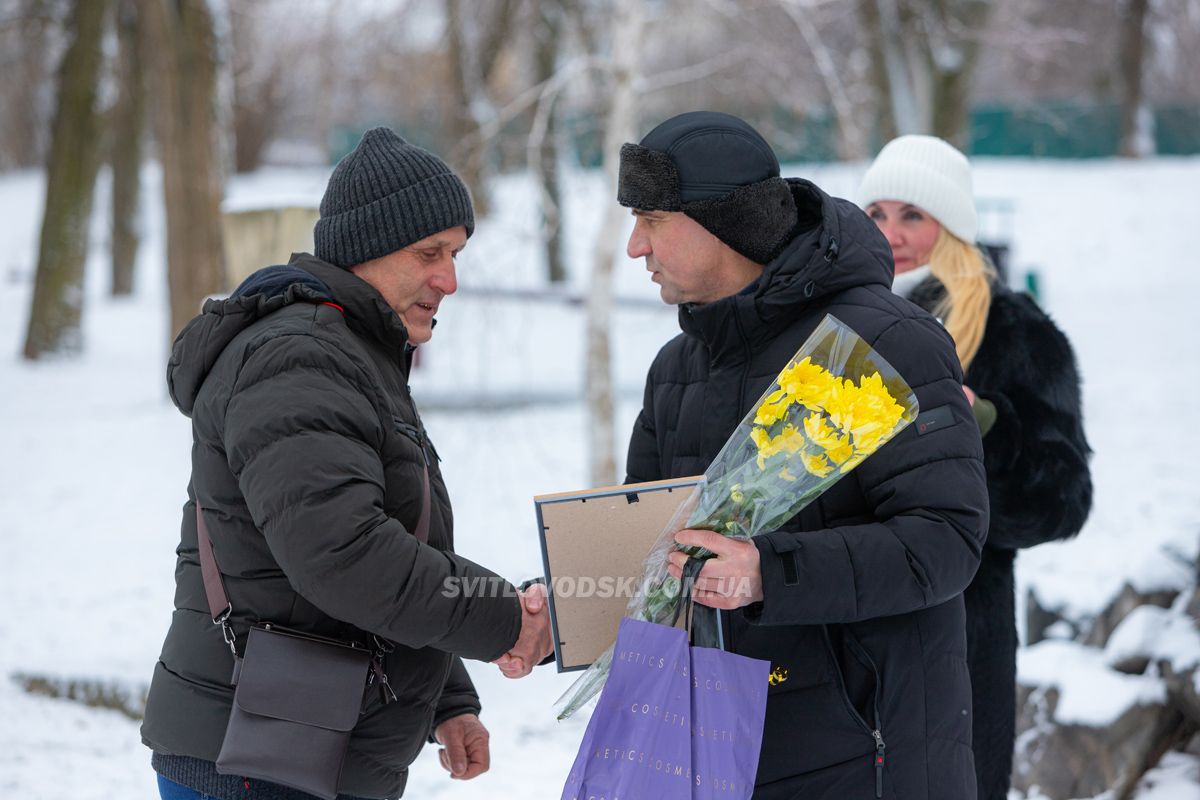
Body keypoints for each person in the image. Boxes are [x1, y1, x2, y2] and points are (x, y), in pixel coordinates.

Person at [141, 127, 553, 800]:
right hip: (255, 763)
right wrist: (507, 617)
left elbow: (386, 542)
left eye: (455, 254)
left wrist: (446, 699)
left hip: (295, 748)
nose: (449, 279)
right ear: (367, 248)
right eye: (429, 253)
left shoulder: (350, 355)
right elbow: (347, 559)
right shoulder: (297, 357)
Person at [620, 110, 990, 800]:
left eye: (650, 219)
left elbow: (945, 541)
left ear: (719, 220)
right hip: (711, 753)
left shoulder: (888, 342)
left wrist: (769, 571)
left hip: (868, 756)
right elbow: (651, 545)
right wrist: (565, 607)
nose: (635, 246)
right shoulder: (676, 367)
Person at [858, 134, 1092, 800]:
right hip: (849, 623)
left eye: (913, 215)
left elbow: (1062, 498)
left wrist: (979, 419)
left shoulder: (1011, 331)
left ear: (953, 227)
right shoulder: (841, 323)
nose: (891, 233)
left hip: (961, 629)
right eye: (876, 213)